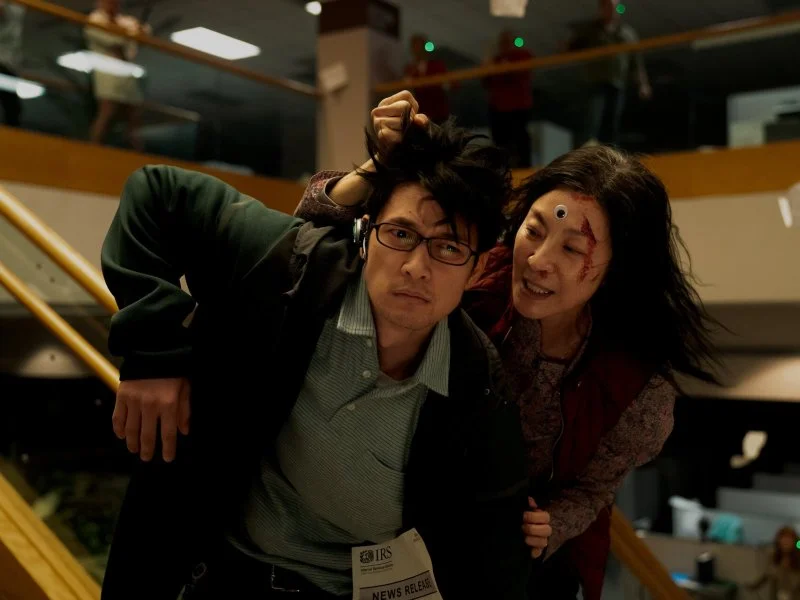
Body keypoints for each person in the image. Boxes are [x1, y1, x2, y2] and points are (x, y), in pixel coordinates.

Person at [295, 91, 720, 600]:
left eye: (572, 249)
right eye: (533, 231)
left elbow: (595, 489)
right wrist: (378, 165)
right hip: (403, 523)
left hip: (517, 562)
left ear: (617, 270)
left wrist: (556, 521)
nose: (538, 261)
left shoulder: (635, 390)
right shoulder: (466, 271)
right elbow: (308, 227)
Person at [99, 117, 533, 599]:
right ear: (366, 234)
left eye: (448, 247)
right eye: (400, 234)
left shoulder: (476, 383)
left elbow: (495, 554)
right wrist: (154, 354)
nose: (416, 268)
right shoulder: (293, 269)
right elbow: (156, 194)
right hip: (215, 571)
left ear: (477, 268)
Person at [567, 0, 652, 145]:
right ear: (601, 9)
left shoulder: (627, 33)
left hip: (617, 83)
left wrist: (643, 84)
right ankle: (588, 152)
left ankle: (609, 153)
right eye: (608, 7)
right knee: (592, 121)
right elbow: (571, 48)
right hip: (595, 83)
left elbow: (636, 63)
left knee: (612, 123)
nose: (612, 11)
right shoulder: (590, 30)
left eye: (615, 8)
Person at [85, 0, 150, 151]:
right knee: (107, 110)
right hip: (106, 70)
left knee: (133, 114)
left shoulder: (125, 21)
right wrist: (127, 34)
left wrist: (136, 32)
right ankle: (92, 149)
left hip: (126, 71)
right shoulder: (95, 19)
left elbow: (143, 32)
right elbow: (112, 41)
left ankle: (137, 154)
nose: (112, 4)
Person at [484, 30, 534, 168]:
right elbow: (487, 81)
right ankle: (503, 168)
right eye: (502, 42)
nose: (504, 45)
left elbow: (523, 74)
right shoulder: (496, 60)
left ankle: (523, 167)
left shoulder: (522, 56)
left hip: (517, 106)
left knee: (520, 139)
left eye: (507, 42)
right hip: (498, 107)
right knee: (501, 141)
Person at [403, 34, 449, 124]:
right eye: (414, 46)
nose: (417, 49)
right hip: (419, 115)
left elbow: (450, 84)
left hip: (438, 112)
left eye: (419, 46)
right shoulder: (409, 69)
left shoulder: (437, 65)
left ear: (424, 47)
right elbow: (405, 87)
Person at [749, 526, 800, 600]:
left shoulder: (798, 559)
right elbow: (767, 574)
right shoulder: (774, 557)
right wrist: (754, 586)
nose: (786, 541)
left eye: (789, 539)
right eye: (783, 538)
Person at [0, 0, 25, 127]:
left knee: (12, 109)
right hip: (5, 63)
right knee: (12, 108)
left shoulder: (17, 6)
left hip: (9, 64)